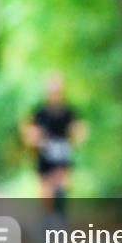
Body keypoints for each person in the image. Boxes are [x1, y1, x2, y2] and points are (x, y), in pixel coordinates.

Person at [21, 72, 87, 214]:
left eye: (57, 91)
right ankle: (47, 224)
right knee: (46, 194)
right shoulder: (39, 113)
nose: (55, 94)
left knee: (62, 191)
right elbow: (28, 133)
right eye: (52, 91)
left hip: (63, 156)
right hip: (45, 157)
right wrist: (36, 138)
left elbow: (80, 131)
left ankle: (59, 224)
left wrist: (76, 134)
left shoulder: (69, 111)